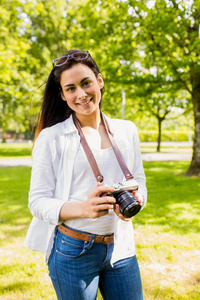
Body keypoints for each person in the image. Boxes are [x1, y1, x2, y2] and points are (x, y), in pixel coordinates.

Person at [24, 49, 147, 300]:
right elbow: (37, 202)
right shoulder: (52, 137)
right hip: (73, 250)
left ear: (99, 81)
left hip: (121, 247)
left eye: (86, 83)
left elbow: (139, 180)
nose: (81, 94)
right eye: (70, 88)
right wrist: (85, 208)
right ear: (62, 95)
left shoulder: (127, 130)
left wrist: (138, 199)